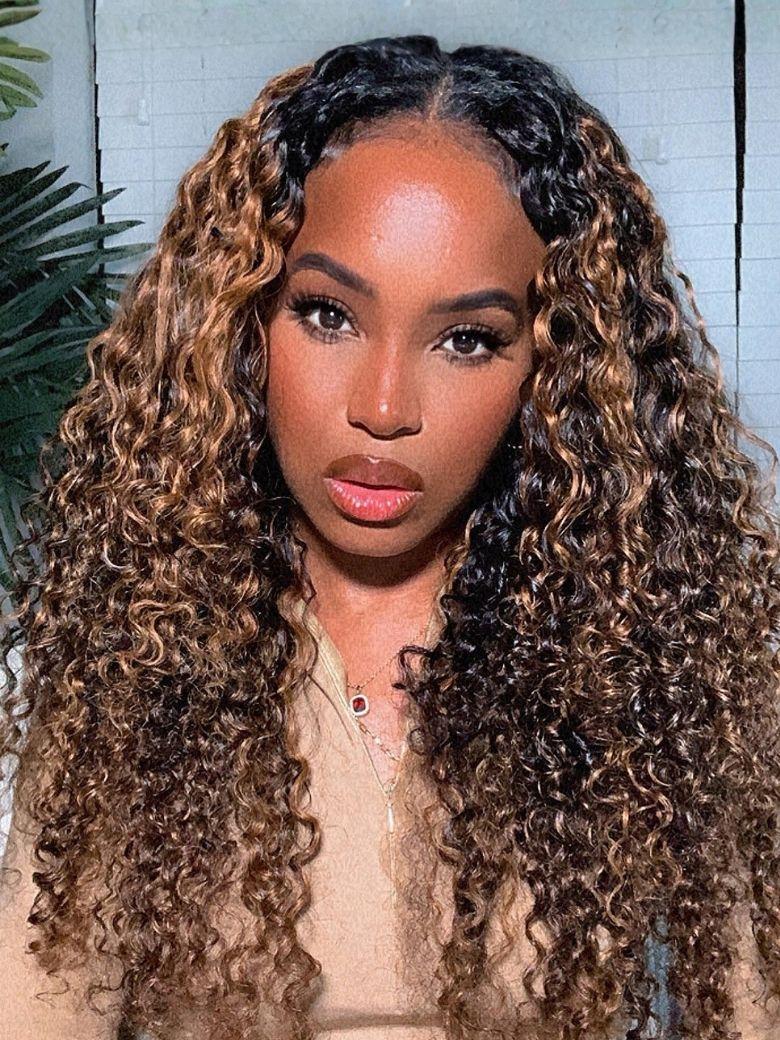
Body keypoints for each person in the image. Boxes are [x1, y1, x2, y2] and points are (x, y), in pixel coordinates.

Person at [1, 32, 778, 1040]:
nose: (382, 407)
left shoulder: (644, 659)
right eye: (328, 314)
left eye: (468, 339)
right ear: (240, 323)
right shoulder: (139, 659)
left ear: (554, 372)